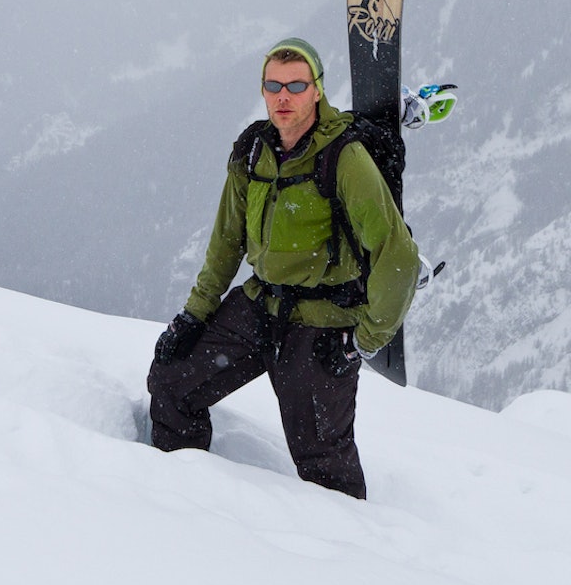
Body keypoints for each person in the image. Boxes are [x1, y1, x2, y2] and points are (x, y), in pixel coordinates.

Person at [146, 37, 418, 499]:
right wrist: (193, 316)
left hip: (322, 326)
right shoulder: (252, 151)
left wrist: (361, 343)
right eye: (274, 85)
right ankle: (183, 504)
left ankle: (355, 561)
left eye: (296, 84)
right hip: (258, 309)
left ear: (317, 91)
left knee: (323, 465)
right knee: (171, 383)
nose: (283, 96)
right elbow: (225, 244)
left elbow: (400, 259)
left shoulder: (344, 159)